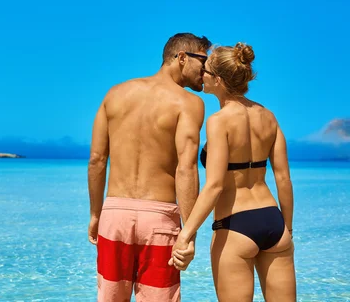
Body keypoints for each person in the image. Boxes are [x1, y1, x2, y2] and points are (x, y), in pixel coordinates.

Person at [88, 33, 211, 302]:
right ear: (181, 58)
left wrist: (96, 215)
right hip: (159, 219)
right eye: (203, 60)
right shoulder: (189, 103)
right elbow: (186, 169)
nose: (207, 69)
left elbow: (97, 159)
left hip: (114, 216)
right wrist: (189, 233)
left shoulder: (115, 94)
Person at [169, 43, 296, 301]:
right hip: (274, 221)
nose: (201, 75)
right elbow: (283, 178)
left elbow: (214, 186)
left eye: (206, 72)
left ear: (218, 80)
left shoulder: (219, 121)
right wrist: (288, 228)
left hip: (235, 225)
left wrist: (186, 233)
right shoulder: (269, 117)